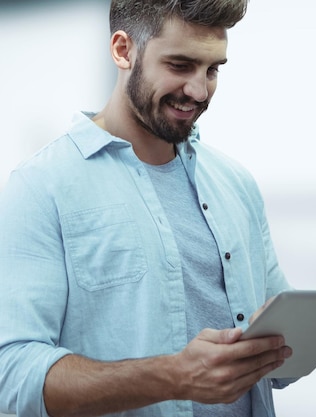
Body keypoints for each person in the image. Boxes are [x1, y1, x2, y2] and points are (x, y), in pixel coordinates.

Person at [0, 1, 296, 416]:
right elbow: (11, 376)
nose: (198, 90)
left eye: (212, 70)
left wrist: (289, 337)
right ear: (123, 51)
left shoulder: (236, 183)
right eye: (179, 65)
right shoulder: (41, 187)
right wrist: (173, 376)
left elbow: (283, 359)